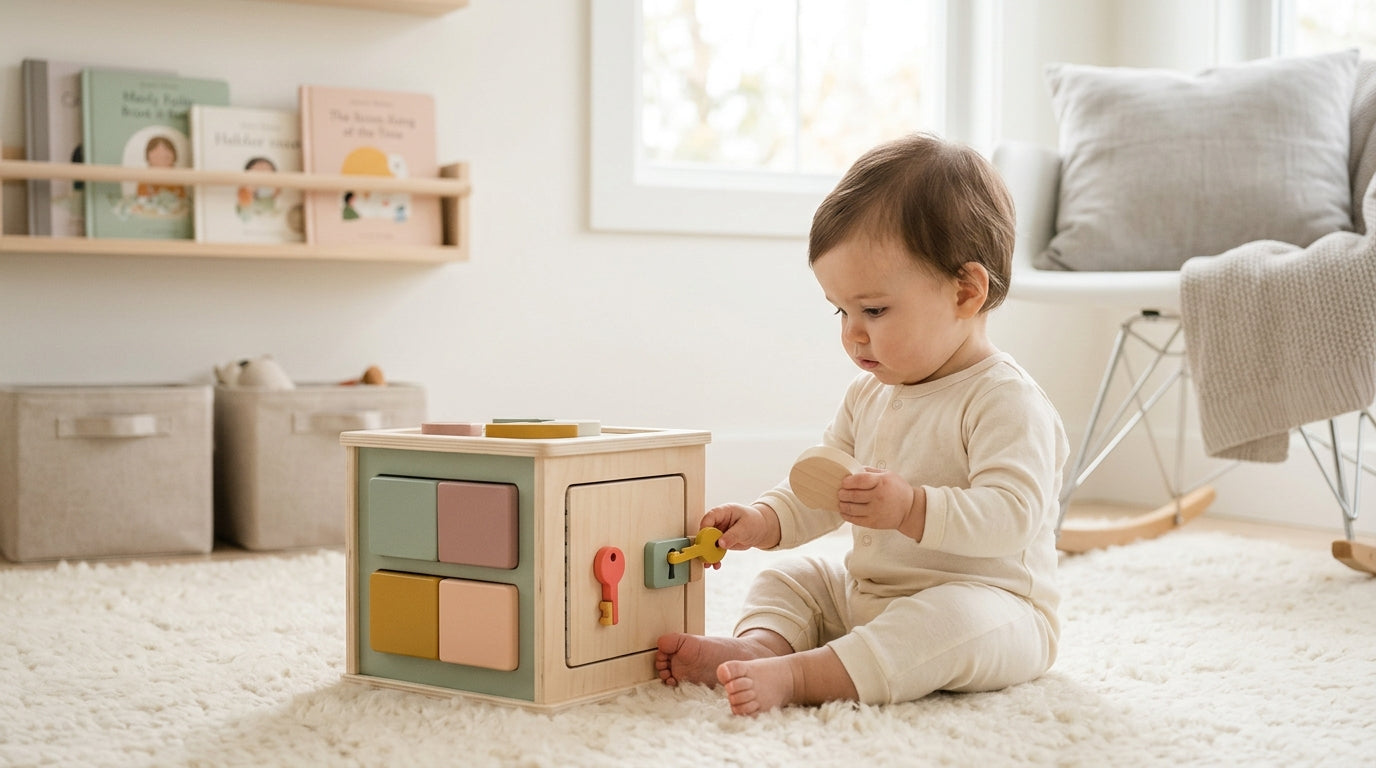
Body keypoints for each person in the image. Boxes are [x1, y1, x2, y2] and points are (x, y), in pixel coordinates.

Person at [656, 132, 1068, 716]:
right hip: (872, 596)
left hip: (994, 611)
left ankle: (800, 677)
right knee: (797, 575)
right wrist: (765, 520)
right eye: (840, 310)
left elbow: (1013, 517)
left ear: (966, 292)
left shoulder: (1004, 400)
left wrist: (911, 508)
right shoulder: (868, 395)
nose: (852, 332)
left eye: (873, 310)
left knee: (942, 620)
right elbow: (826, 489)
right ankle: (756, 648)